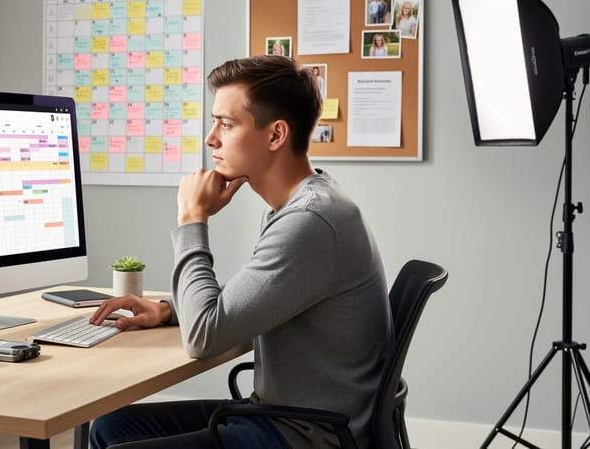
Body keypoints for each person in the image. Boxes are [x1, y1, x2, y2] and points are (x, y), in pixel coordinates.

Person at [88, 55, 392, 449]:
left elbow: (203, 338)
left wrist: (192, 218)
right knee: (111, 428)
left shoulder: (310, 220)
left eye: (226, 124)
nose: (210, 138)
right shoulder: (307, 202)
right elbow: (262, 292)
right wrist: (169, 309)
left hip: (303, 435)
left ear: (275, 135)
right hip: (290, 416)